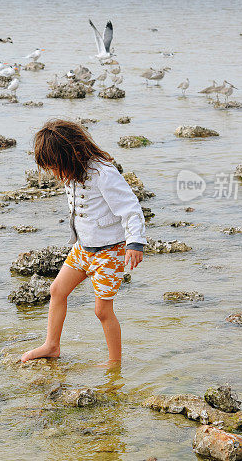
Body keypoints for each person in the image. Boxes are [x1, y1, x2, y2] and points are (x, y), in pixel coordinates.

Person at [20, 119, 146, 366]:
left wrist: (135, 243)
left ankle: (114, 363)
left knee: (102, 311)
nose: (55, 173)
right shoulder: (73, 172)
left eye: (55, 166)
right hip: (83, 248)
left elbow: (130, 208)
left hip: (110, 251)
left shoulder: (103, 173)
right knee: (57, 290)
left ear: (71, 155)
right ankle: (52, 345)